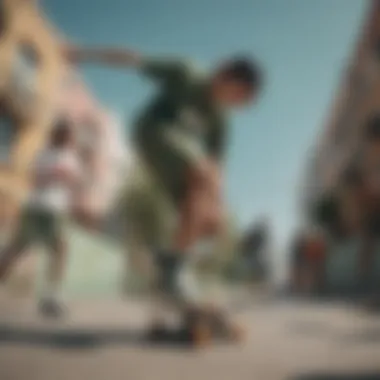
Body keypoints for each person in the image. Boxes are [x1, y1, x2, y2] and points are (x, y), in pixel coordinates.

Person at [65, 45, 263, 344]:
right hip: (151, 134)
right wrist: (84, 53)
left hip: (178, 161)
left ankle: (173, 273)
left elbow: (218, 168)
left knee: (211, 219)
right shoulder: (187, 73)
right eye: (235, 95)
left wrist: (214, 209)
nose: (232, 104)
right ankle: (172, 268)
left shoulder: (221, 121)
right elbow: (133, 59)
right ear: (224, 73)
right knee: (201, 172)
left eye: (239, 103)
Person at [0, 119, 82, 318]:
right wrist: (58, 175)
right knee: (48, 249)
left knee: (44, 249)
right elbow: (43, 178)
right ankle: (51, 297)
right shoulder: (54, 155)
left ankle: (51, 297)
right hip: (46, 208)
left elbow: (67, 180)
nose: (70, 139)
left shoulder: (56, 155)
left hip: (45, 207)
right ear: (61, 136)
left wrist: (64, 177)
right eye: (68, 135)